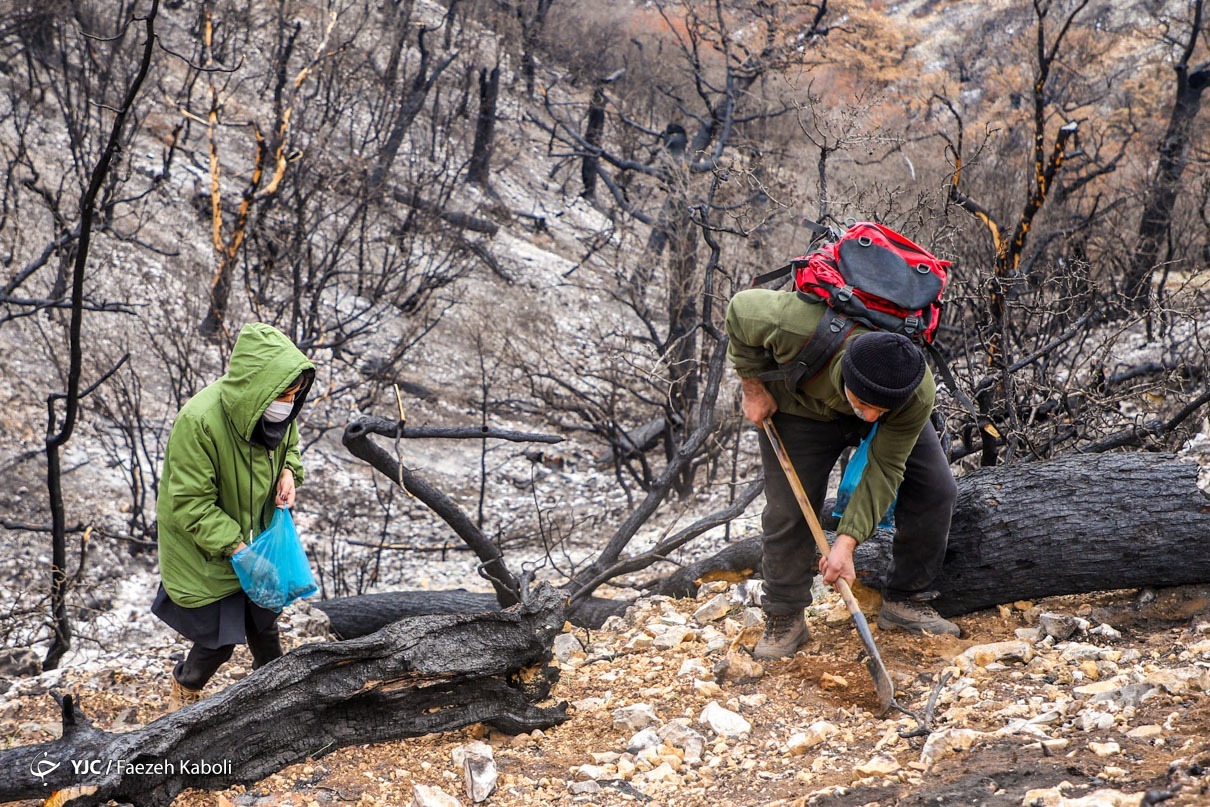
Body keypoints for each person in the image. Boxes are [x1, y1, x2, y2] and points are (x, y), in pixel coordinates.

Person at [725, 288, 960, 660]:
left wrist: (846, 544)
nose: (869, 418)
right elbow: (739, 310)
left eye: (879, 410)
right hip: (800, 407)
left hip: (895, 418)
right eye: (864, 405)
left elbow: (884, 468)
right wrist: (752, 386)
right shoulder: (793, 325)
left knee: (937, 490)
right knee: (787, 511)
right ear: (846, 375)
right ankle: (785, 617)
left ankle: (906, 600)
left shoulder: (913, 393)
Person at [153, 322, 315, 709]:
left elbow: (289, 445)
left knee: (265, 624)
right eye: (284, 395)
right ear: (258, 391)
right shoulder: (200, 422)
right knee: (220, 641)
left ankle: (276, 694)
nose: (289, 404)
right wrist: (238, 550)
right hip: (207, 548)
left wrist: (290, 472)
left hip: (255, 537)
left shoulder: (274, 416)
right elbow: (191, 503)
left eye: (295, 396)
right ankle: (185, 689)